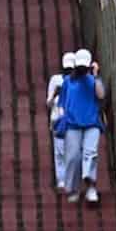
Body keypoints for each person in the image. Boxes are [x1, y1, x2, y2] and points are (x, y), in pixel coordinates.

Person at [57, 48, 105, 205]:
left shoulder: (93, 81)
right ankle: (73, 188)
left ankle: (91, 186)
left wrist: (96, 76)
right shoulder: (67, 82)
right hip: (73, 124)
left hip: (92, 123)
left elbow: (101, 95)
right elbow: (62, 103)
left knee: (90, 153)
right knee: (72, 157)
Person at [46, 52, 73, 192]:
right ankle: (62, 180)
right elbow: (49, 103)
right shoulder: (55, 80)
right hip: (58, 120)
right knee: (60, 152)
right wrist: (55, 95)